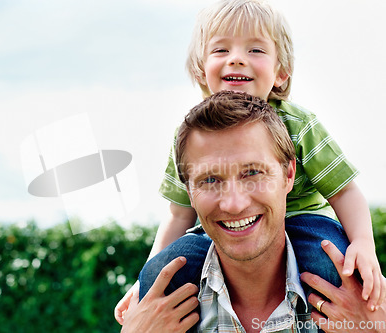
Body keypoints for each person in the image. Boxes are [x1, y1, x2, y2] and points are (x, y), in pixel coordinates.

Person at [114, 0, 385, 324]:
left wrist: (364, 245)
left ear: (280, 72)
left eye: (255, 50)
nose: (237, 58)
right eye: (221, 51)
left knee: (333, 269)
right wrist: (145, 282)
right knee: (166, 271)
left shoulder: (298, 122)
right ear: (202, 69)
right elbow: (178, 213)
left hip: (305, 224)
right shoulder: (190, 135)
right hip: (216, 236)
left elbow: (344, 191)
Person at [121, 91, 386, 333]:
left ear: (289, 174)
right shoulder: (156, 314)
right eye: (209, 180)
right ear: (189, 192)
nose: (234, 204)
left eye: (253, 173)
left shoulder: (365, 306)